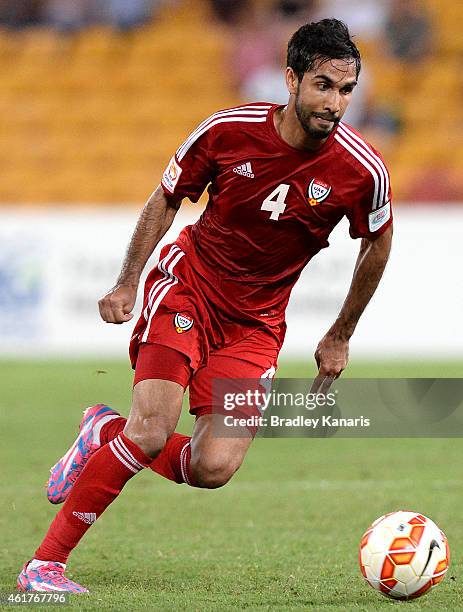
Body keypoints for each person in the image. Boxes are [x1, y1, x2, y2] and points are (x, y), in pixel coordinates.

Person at [18, 18, 393, 593]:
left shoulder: (361, 170)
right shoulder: (227, 129)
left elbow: (378, 242)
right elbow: (167, 197)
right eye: (323, 85)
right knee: (150, 430)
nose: (335, 103)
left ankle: (102, 430)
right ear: (291, 78)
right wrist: (126, 281)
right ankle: (44, 565)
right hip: (189, 290)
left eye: (346, 90)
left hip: (256, 326)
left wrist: (341, 332)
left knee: (212, 467)